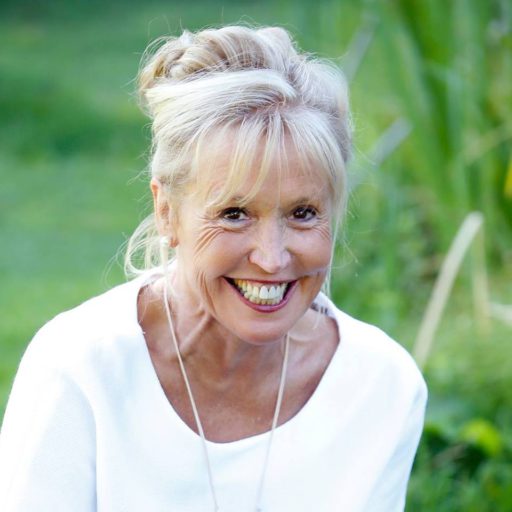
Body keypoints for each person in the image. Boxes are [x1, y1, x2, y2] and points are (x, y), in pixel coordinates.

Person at [0, 25, 427, 512]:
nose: (272, 258)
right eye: (234, 213)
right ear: (167, 211)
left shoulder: (381, 385)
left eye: (303, 213)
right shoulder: (80, 368)